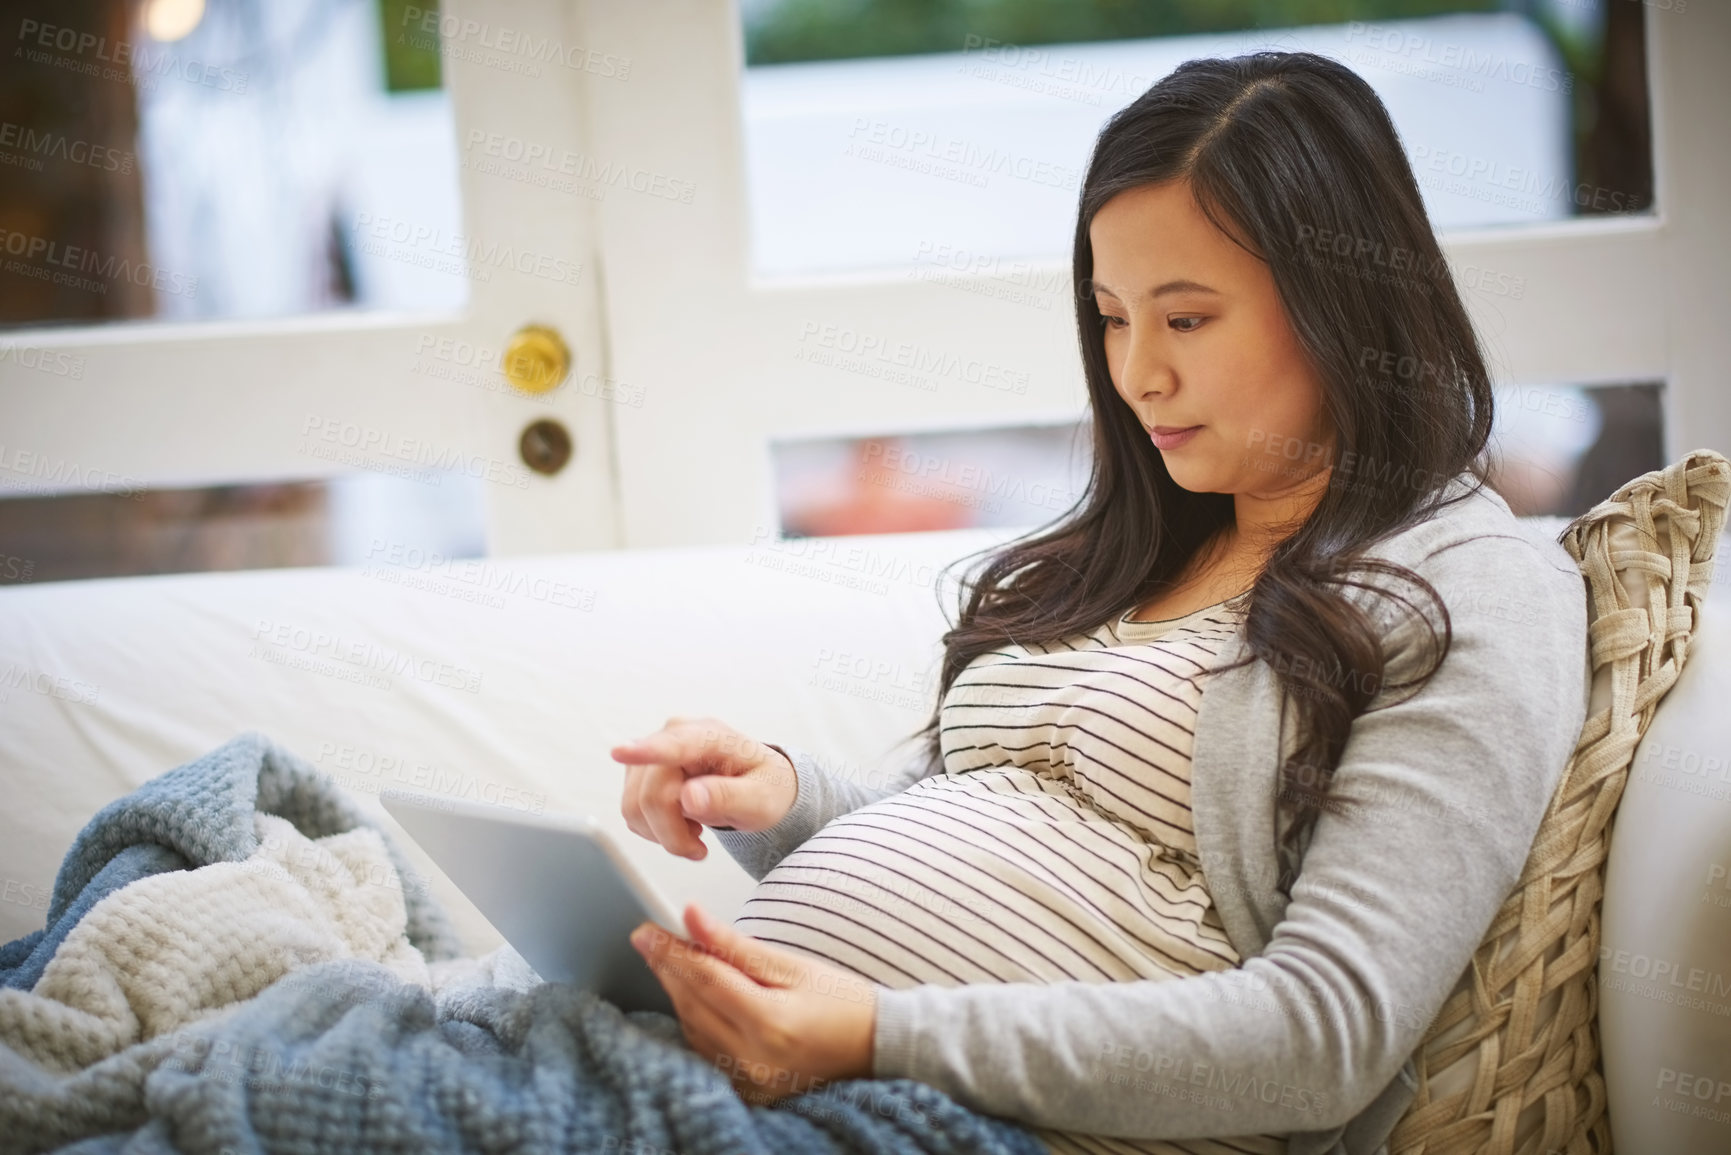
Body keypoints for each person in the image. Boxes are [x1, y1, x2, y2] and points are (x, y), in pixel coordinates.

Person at [612, 50, 1588, 1155]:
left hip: (950, 1124)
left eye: (1186, 320)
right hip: (801, 1093)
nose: (1136, 375)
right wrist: (783, 800)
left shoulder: (1472, 591)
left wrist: (881, 1037)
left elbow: (1327, 1035)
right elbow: (1007, 866)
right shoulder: (1142, 545)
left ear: (1345, 306)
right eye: (1112, 317)